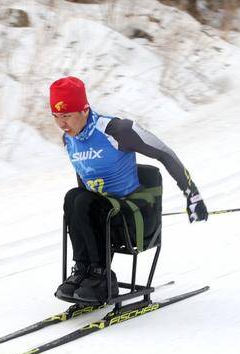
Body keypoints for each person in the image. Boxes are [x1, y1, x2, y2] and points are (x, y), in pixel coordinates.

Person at [50, 76, 208, 304]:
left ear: (84, 110)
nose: (62, 124)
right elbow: (83, 179)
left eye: (66, 116)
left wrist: (192, 194)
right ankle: (85, 271)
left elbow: (164, 152)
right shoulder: (69, 139)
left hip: (131, 216)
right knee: (74, 198)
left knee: (83, 201)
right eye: (56, 117)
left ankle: (102, 277)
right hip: (102, 217)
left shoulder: (117, 130)